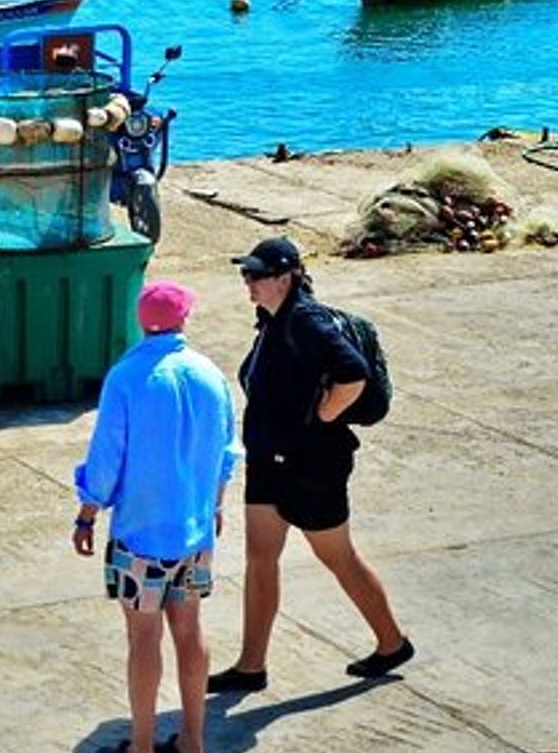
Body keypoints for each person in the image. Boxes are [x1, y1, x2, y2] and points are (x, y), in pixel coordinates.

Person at [209, 237, 413, 694]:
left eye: (257, 275)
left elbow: (353, 374)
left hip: (312, 465)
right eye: (246, 273)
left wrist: (324, 415)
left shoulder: (305, 320)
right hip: (269, 461)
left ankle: (392, 642)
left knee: (337, 557)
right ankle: (251, 666)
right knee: (261, 558)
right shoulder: (271, 318)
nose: (248, 282)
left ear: (286, 278)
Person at [74, 281, 240, 753]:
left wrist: (87, 512)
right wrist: (217, 506)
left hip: (139, 535)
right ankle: (193, 739)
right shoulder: (210, 375)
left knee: (143, 637)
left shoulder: (126, 378)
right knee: (190, 632)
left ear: (142, 323)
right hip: (194, 532)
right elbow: (227, 453)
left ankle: (142, 745)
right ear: (184, 320)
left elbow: (107, 459)